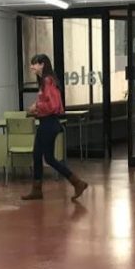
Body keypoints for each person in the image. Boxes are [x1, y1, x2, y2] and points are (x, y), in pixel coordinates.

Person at [21, 54, 88, 201]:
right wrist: (37, 108)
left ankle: (77, 182)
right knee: (38, 155)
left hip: (49, 123)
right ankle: (37, 189)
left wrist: (36, 107)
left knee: (49, 158)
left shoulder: (48, 81)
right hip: (46, 123)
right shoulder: (45, 81)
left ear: (42, 65)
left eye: (34, 64)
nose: (31, 67)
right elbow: (48, 102)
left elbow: (53, 106)